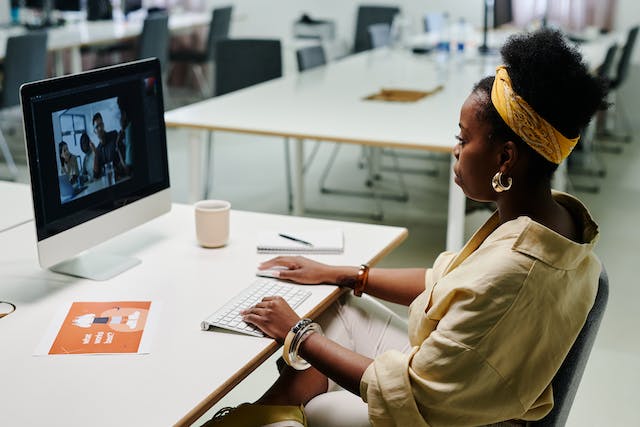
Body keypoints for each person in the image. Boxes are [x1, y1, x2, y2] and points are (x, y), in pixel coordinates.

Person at [206, 29, 608, 427]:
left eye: (463, 139)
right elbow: (446, 281)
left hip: (462, 416)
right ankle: (266, 412)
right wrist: (346, 275)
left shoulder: (517, 270)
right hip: (465, 376)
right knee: (338, 309)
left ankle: (273, 416)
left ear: (505, 158)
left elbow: (415, 392)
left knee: (318, 409)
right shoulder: (551, 220)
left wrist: (297, 333)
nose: (455, 149)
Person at [93, 112, 127, 181]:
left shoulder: (114, 135)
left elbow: (125, 156)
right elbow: (96, 175)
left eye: (101, 124)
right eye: (97, 127)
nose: (100, 128)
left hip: (123, 178)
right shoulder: (98, 150)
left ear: (103, 125)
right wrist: (95, 154)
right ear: (94, 131)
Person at [115, 96, 133, 174]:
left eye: (120, 113)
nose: (119, 119)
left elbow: (128, 170)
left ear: (124, 115)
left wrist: (118, 147)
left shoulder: (129, 129)